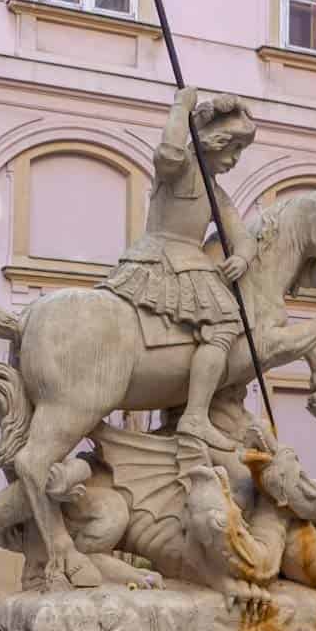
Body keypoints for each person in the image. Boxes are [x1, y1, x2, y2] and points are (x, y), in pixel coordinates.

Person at [102, 88, 258, 450]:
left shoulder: (217, 193)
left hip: (189, 261)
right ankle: (195, 416)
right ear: (211, 141)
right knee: (224, 325)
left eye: (240, 151)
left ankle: (184, 409)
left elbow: (242, 236)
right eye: (232, 148)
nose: (235, 159)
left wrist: (243, 258)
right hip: (163, 255)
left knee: (213, 328)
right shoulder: (180, 170)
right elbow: (168, 154)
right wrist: (180, 108)